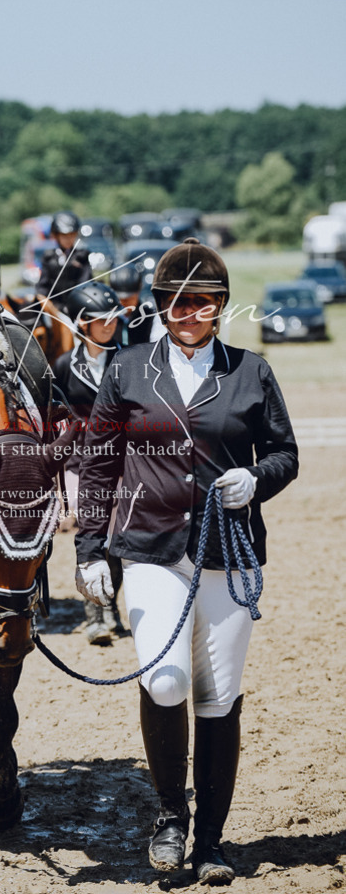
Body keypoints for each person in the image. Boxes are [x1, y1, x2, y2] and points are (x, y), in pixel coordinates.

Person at [74, 238, 298, 884]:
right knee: (165, 680)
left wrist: (257, 480)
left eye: (201, 302)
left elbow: (285, 454)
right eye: (175, 302)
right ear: (161, 306)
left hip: (228, 554)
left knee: (218, 697)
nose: (188, 312)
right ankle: (171, 815)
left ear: (220, 307)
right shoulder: (127, 370)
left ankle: (211, 843)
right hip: (150, 550)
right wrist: (91, 551)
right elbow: (97, 467)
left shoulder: (251, 371)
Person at [52, 281, 127, 643]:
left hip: (125, 464)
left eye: (113, 317)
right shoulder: (65, 366)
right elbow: (57, 421)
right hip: (79, 466)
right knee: (91, 532)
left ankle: (111, 606)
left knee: (117, 540)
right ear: (83, 323)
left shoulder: (130, 360)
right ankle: (96, 613)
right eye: (101, 319)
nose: (109, 324)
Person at [37, 211, 92, 316]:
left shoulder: (82, 256)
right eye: (65, 235)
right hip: (54, 308)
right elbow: (43, 285)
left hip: (77, 307)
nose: (69, 239)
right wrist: (46, 303)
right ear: (56, 235)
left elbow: (85, 281)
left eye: (72, 235)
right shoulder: (48, 258)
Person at [109, 263, 159, 345]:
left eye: (130, 299)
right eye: (120, 299)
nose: (124, 303)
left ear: (139, 291)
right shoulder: (106, 317)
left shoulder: (150, 318)